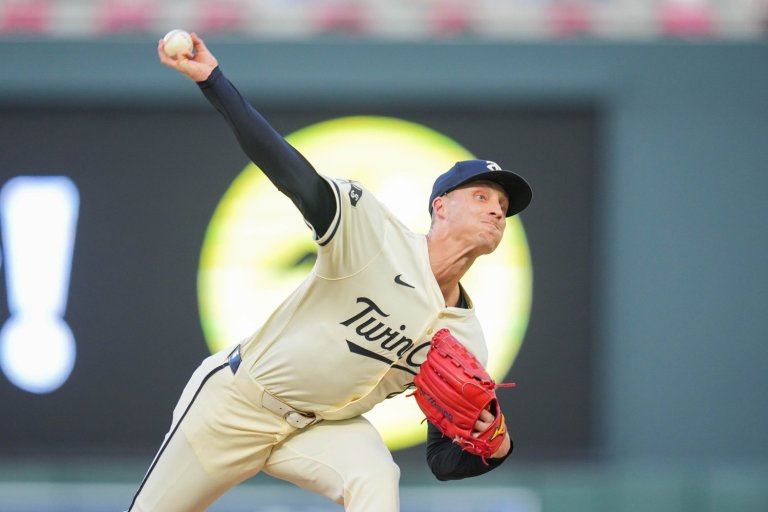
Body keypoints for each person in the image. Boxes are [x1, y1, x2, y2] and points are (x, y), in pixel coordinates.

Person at [128, 33, 532, 512]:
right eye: (482, 197)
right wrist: (214, 82)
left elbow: (445, 460)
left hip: (320, 428)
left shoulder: (467, 338)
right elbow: (289, 171)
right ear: (439, 207)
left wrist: (498, 444)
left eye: (504, 206)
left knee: (377, 476)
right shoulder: (372, 234)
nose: (496, 212)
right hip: (236, 405)